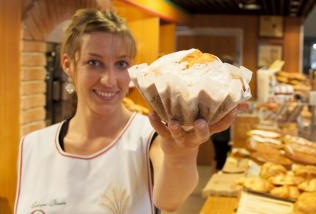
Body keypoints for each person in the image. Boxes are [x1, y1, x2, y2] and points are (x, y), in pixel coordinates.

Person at [14, 9, 238, 213]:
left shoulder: (150, 137)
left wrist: (181, 154)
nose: (109, 80)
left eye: (121, 64)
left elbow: (170, 200)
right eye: (94, 62)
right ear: (68, 64)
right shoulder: (33, 147)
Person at [211, 55, 235, 171]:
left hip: (218, 123)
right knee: (221, 157)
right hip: (220, 125)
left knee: (218, 155)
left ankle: (215, 176)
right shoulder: (221, 81)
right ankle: (216, 179)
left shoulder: (217, 79)